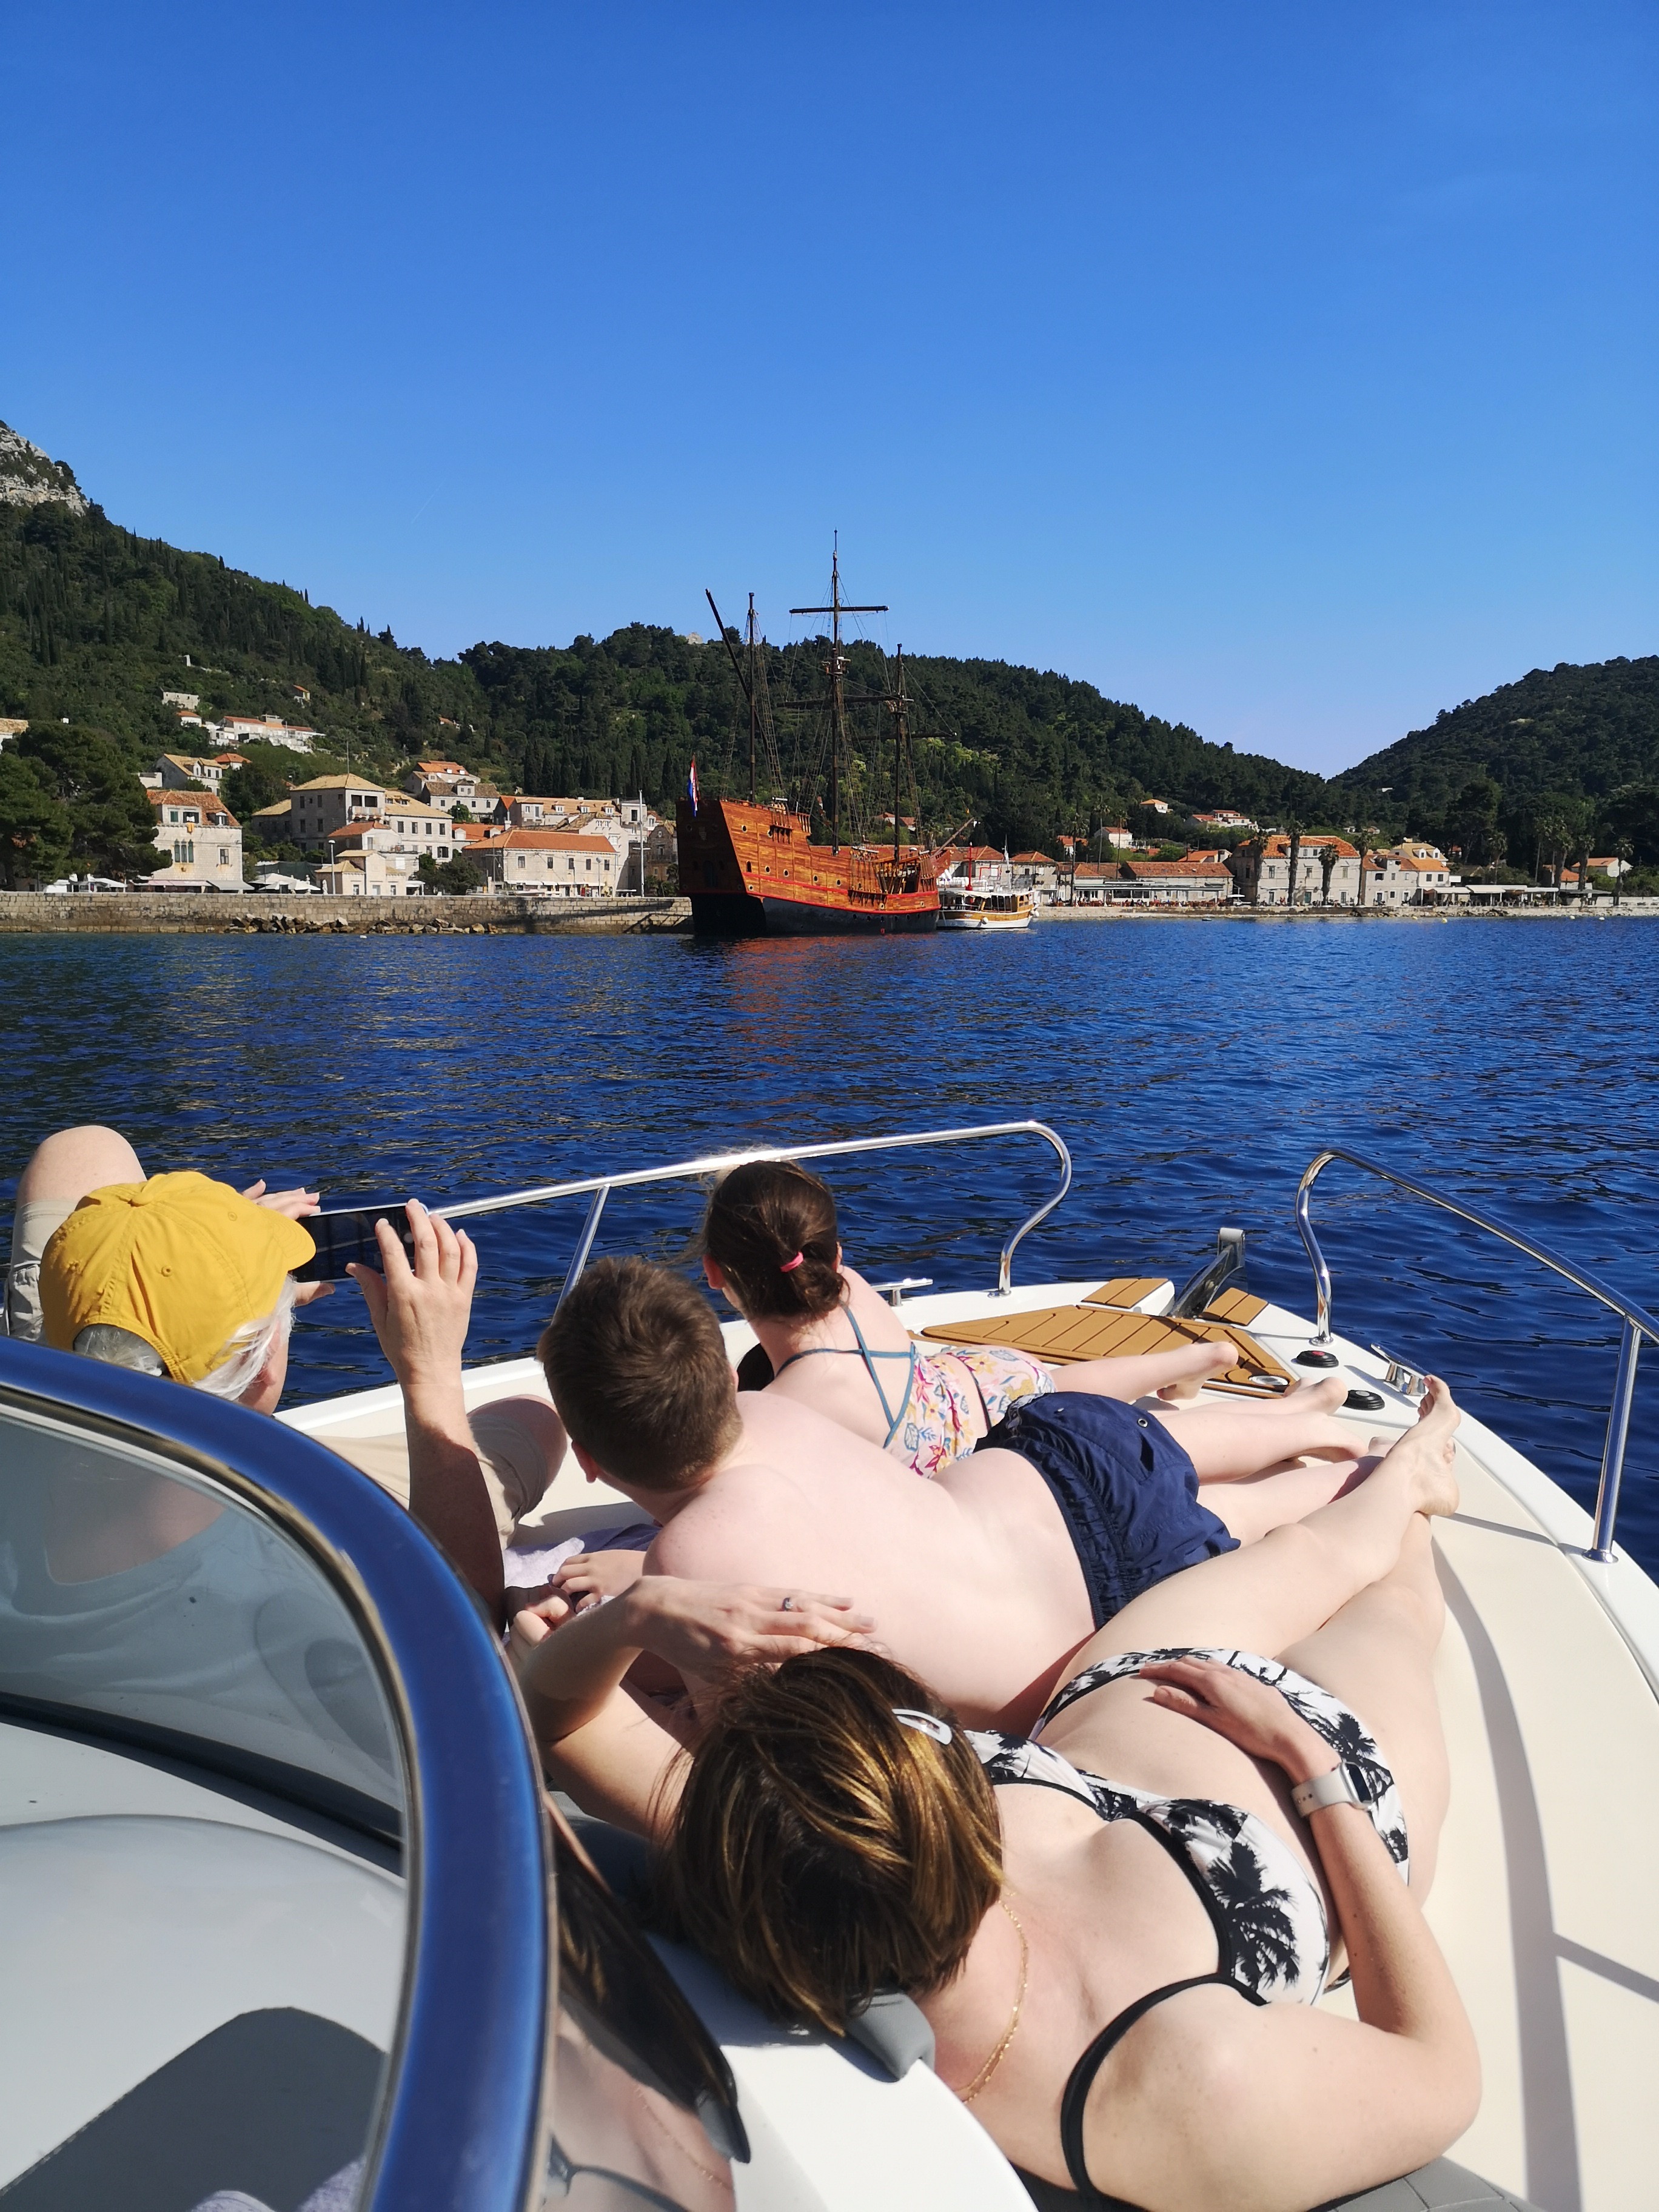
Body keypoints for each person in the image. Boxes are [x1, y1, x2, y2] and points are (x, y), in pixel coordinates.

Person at [520, 1384, 1476, 2212]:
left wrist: (640, 1613)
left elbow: (560, 1721)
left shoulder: (796, 1856)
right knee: (1390, 1590)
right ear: (951, 1800)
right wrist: (1315, 1773)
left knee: (1328, 1540)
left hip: (1127, 1688)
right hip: (1334, 1771)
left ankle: (1398, 1472)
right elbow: (1439, 2076)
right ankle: (1418, 1481)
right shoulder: (1175, 2083)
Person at [398, 1245, 1373, 1729]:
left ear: (596, 1464)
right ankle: (1319, 1416)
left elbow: (698, 1745)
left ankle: (1354, 1483)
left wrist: (634, 1620)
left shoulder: (695, 1562)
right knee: (1210, 1473)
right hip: (1058, 1464)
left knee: (1272, 1515)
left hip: (1109, 1603)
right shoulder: (784, 1411)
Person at [3, 1124, 563, 1551]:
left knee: (83, 1147)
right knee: (537, 1422)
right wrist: (431, 1373)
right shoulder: (302, 1558)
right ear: (264, 1371)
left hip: (61, 1413)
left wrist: (202, 1262)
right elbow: (459, 1632)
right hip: (244, 1496)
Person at [702, 1158, 1364, 1496]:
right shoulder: (848, 1285)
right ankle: (1196, 1360)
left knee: (1160, 1441)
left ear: (712, 1274)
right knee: (1070, 1383)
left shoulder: (784, 1408)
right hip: (975, 1380)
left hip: (985, 1441)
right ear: (831, 1254)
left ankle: (1302, 1420)